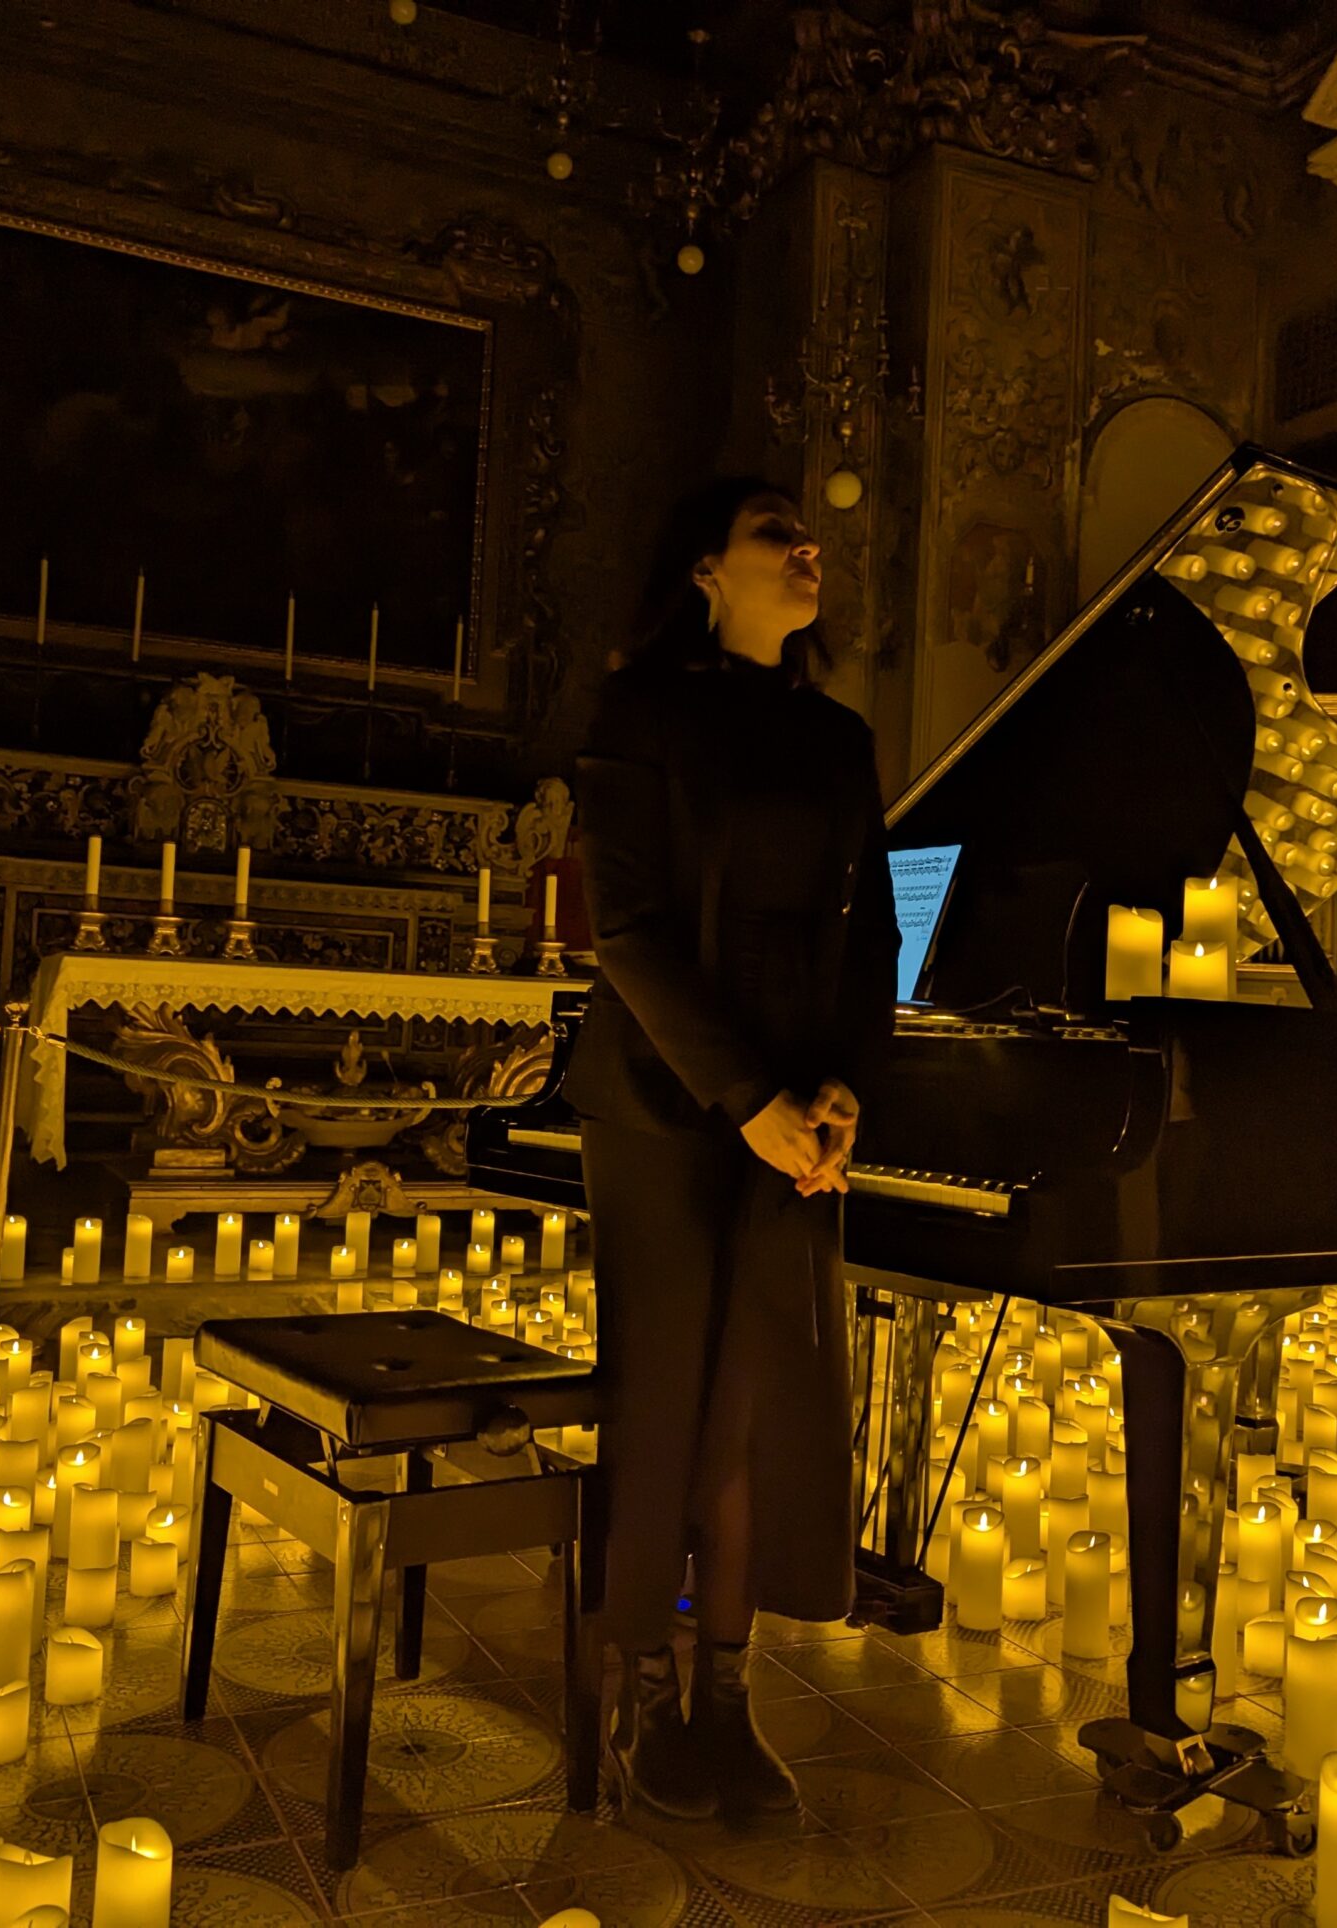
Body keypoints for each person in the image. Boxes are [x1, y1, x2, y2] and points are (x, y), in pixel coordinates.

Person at [566, 477, 900, 1821]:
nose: (808, 547)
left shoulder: (840, 738)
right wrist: (746, 1097)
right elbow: (625, 931)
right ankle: (642, 1690)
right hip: (665, 1097)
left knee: (759, 1403)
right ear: (705, 568)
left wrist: (842, 1089)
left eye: (806, 534)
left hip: (795, 1111)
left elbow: (873, 934)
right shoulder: (641, 713)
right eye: (774, 531)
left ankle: (727, 1693)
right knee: (666, 1401)